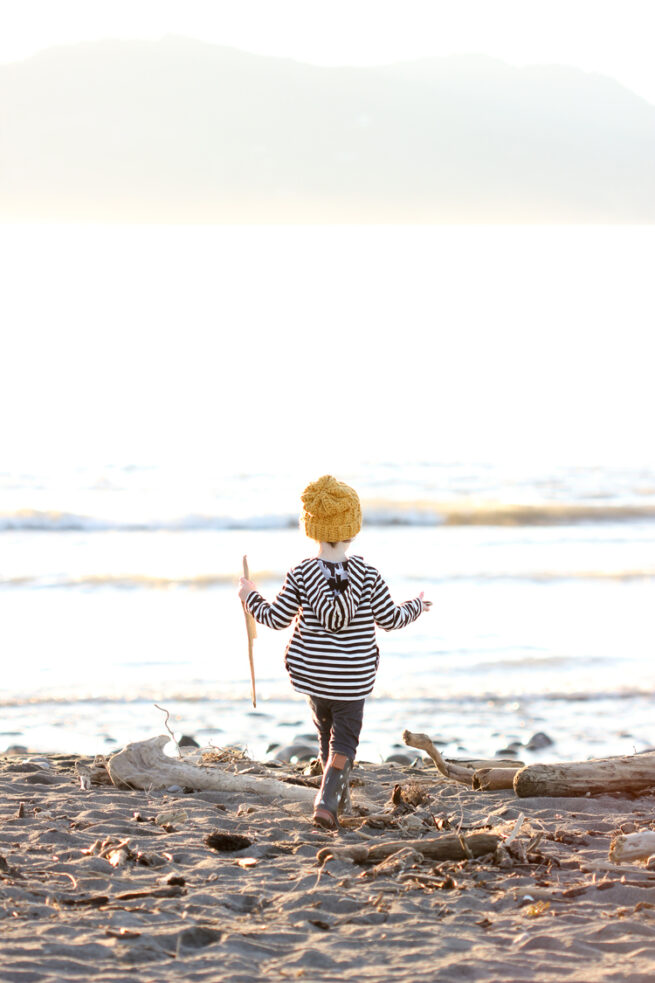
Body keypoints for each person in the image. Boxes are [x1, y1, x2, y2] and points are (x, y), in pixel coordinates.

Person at [238, 474, 431, 829]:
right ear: (352, 528)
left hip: (313, 675)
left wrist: (249, 596)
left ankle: (337, 798)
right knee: (344, 742)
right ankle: (327, 800)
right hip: (352, 680)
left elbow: (274, 618)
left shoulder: (301, 573)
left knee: (326, 734)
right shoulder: (368, 574)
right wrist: (416, 606)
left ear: (311, 528)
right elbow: (390, 619)